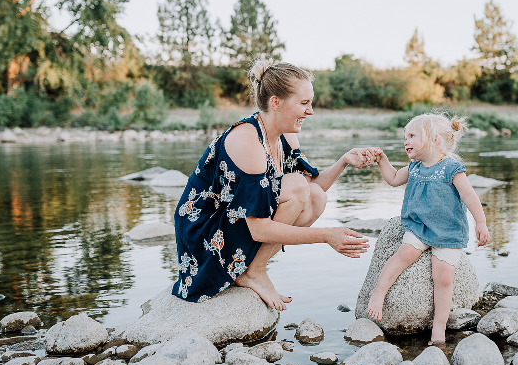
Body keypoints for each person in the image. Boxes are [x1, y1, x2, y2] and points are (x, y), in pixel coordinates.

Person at [173, 59, 375, 311]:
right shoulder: (247, 140)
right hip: (205, 236)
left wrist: (344, 161)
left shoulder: (285, 136)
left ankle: (253, 269)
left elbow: (313, 191)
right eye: (304, 103)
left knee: (315, 197)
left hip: (236, 224)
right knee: (299, 186)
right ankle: (253, 271)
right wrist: (326, 236)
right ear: (276, 102)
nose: (310, 111)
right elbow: (259, 229)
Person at [366, 113, 490, 345]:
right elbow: (393, 178)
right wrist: (382, 159)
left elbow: (469, 196)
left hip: (448, 233)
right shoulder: (415, 167)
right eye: (405, 136)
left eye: (412, 135)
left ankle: (439, 328)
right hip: (419, 227)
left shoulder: (451, 168)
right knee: (403, 254)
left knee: (443, 278)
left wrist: (480, 222)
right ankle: (378, 292)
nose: (406, 141)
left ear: (434, 139)